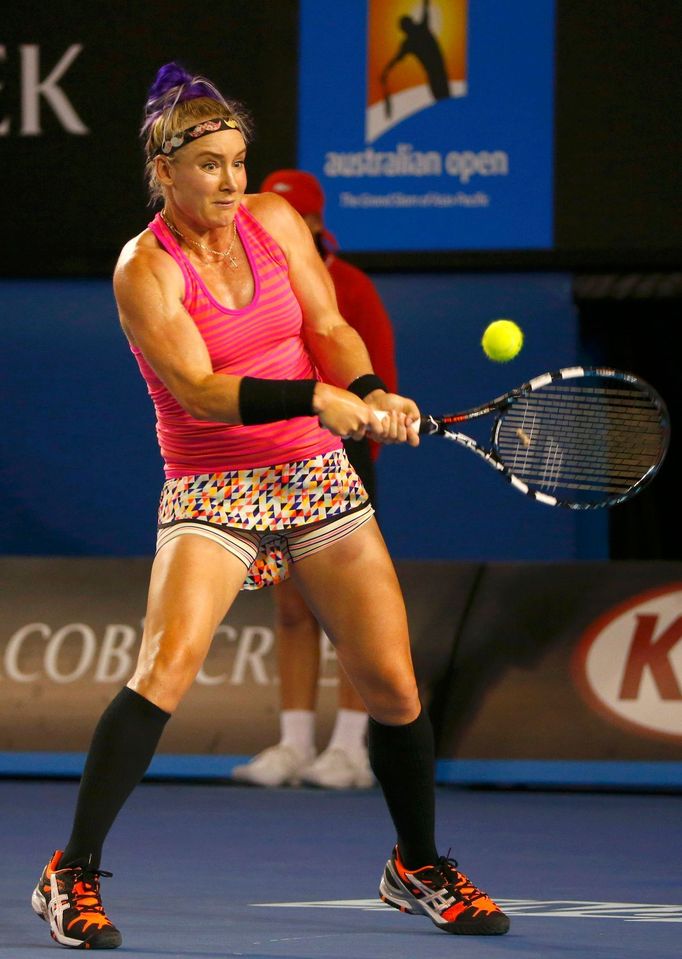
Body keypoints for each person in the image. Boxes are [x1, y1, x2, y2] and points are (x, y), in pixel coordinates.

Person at [30, 62, 510, 949]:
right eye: (209, 165)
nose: (230, 182)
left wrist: (366, 385)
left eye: (239, 162)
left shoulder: (275, 221)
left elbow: (326, 326)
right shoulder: (144, 270)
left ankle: (418, 863)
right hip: (214, 482)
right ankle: (71, 873)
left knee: (395, 684)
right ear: (163, 170)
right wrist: (318, 402)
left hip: (312, 472)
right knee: (165, 666)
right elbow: (203, 390)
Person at [231, 169, 398, 789]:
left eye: (297, 220)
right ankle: (294, 743)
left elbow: (375, 375)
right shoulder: (246, 285)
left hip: (340, 461)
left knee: (348, 614)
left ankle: (351, 750)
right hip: (271, 459)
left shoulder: (350, 287)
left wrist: (375, 415)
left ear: (318, 225)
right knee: (292, 608)